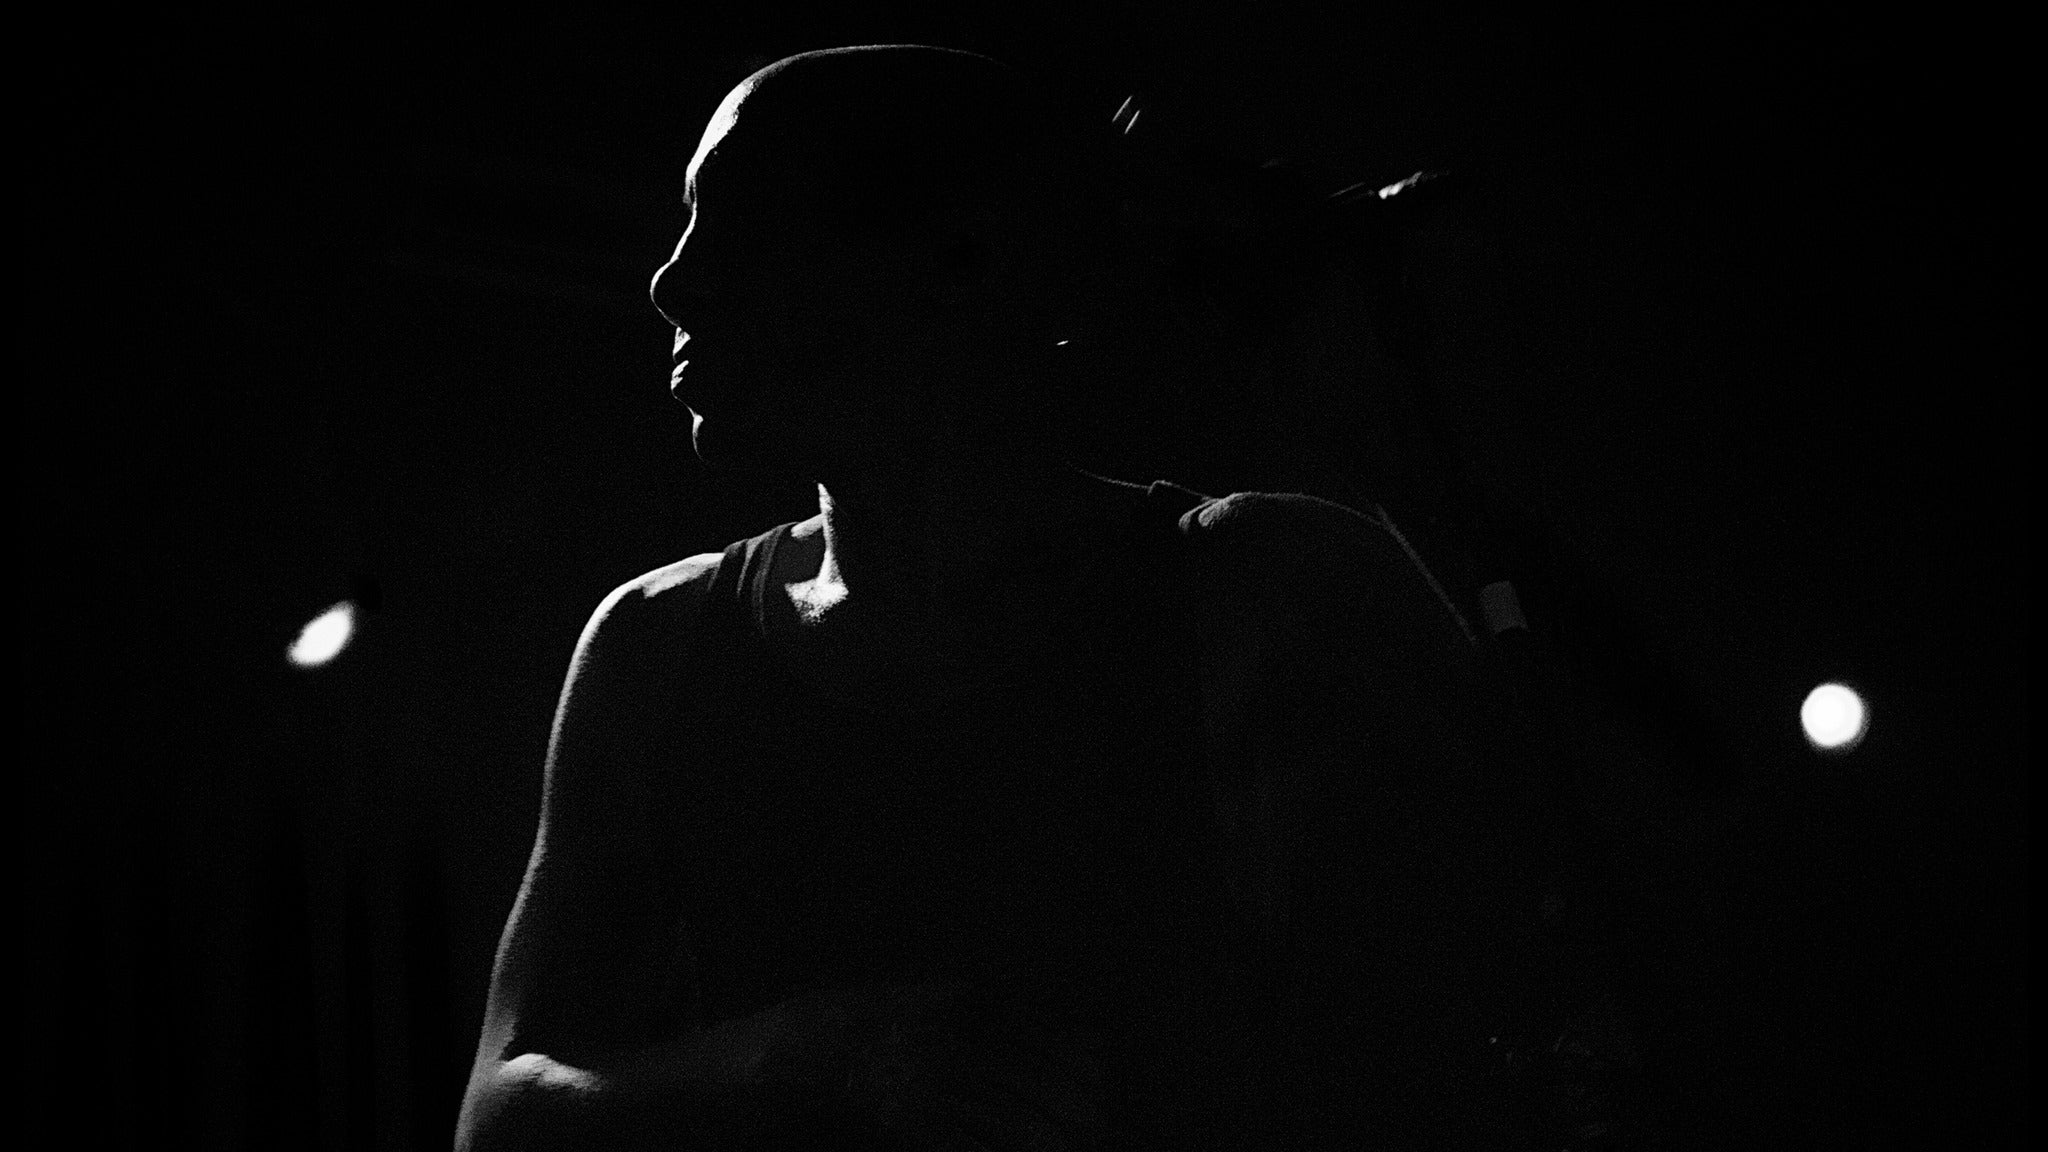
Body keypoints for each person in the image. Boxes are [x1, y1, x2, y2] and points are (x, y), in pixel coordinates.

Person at [455, 45, 1561, 1152]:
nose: (672, 279)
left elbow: (1524, 1013)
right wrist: (808, 1057)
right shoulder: (656, 643)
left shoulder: (1262, 585)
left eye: (744, 222)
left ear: (962, 260)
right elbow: (498, 1115)